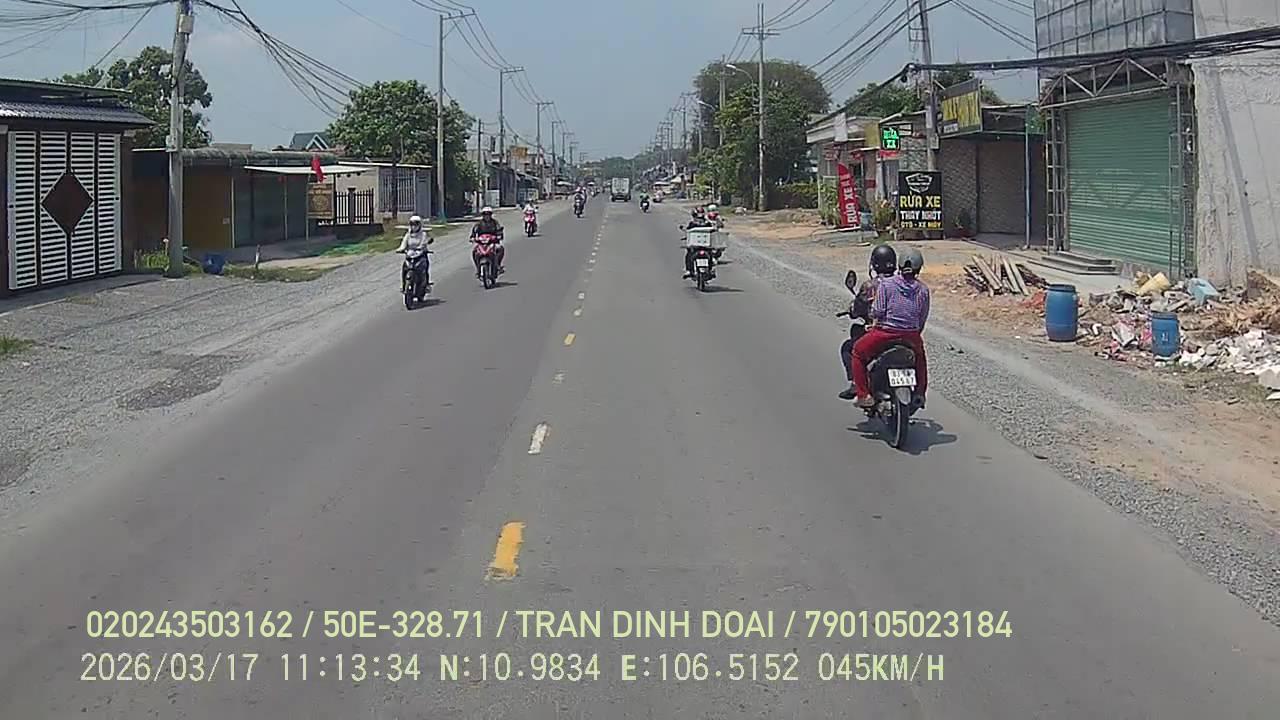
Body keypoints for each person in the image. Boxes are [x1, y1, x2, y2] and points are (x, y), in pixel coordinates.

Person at [843, 247, 930, 409]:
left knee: (857, 352)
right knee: (920, 359)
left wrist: (876, 321)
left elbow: (878, 311)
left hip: (885, 333)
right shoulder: (923, 290)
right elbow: (922, 317)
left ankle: (863, 395)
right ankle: (919, 394)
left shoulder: (887, 285)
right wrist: (914, 332)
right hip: (911, 335)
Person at [838, 244, 898, 388]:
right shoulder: (902, 284)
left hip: (879, 332)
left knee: (850, 348)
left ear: (874, 264)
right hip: (903, 330)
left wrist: (853, 309)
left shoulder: (870, 286)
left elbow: (858, 308)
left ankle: (857, 385)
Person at [396, 214, 434, 285]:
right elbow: (404, 243)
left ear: (420, 225)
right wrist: (401, 249)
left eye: (416, 224)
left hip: (420, 255)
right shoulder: (408, 235)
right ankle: (403, 284)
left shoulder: (423, 234)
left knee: (425, 266)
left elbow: (423, 242)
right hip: (410, 255)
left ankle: (426, 283)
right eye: (412, 224)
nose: (414, 226)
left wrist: (421, 248)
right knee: (404, 267)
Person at [470, 206, 505, 276]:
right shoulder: (479, 224)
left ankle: (498, 265)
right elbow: (474, 232)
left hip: (493, 243)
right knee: (474, 251)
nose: (487, 216)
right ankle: (478, 268)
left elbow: (499, 230)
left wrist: (499, 236)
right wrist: (472, 238)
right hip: (481, 243)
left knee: (500, 248)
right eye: (485, 214)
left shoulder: (495, 223)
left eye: (488, 214)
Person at [681, 208, 714, 279]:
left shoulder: (693, 223)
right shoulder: (707, 223)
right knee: (710, 253)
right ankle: (710, 269)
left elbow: (688, 231)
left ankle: (689, 270)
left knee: (689, 254)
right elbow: (712, 231)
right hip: (705, 245)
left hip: (696, 246)